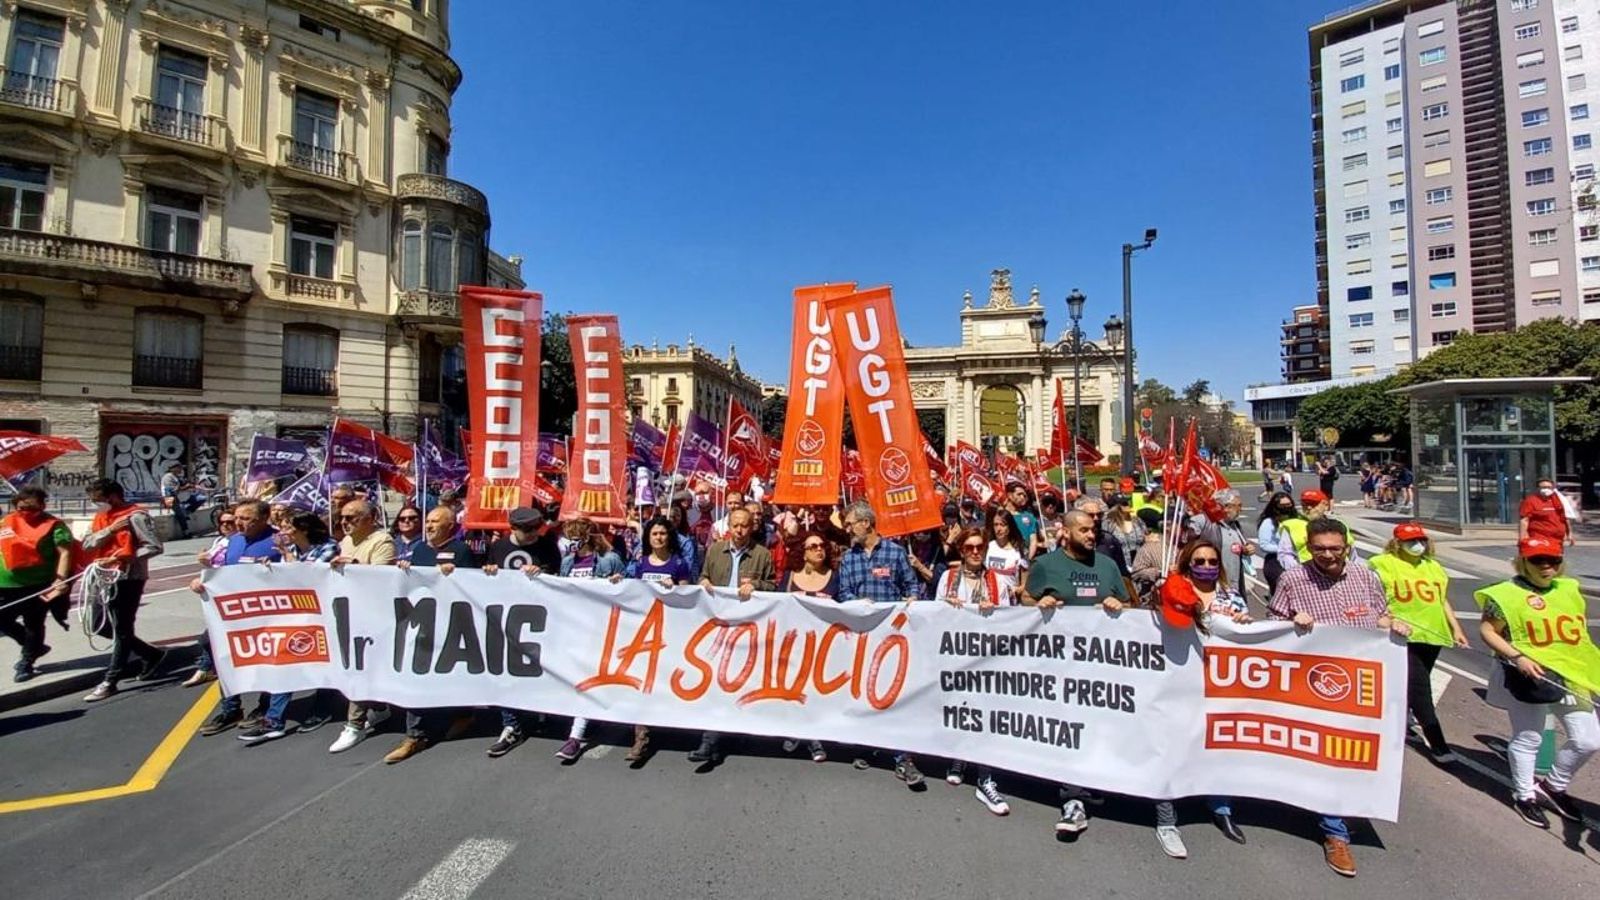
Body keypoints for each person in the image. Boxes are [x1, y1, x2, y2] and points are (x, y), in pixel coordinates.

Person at [1269, 517, 1411, 878]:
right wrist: (1291, 622)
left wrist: (1393, 625)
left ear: (1346, 547)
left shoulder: (1365, 576)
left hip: (1364, 684)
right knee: (1329, 754)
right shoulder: (1293, 580)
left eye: (1335, 548)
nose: (1328, 555)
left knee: (1358, 753)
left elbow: (1379, 615)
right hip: (1316, 686)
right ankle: (1336, 833)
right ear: (1309, 548)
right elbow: (1272, 630)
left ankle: (1342, 805)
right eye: (1319, 549)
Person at [1474, 536, 1600, 829]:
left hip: (1572, 673)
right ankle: (1524, 795)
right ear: (1523, 562)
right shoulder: (1504, 595)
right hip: (1530, 676)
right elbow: (1487, 631)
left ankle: (1554, 785)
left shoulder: (1568, 588)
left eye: (1553, 561)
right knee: (1529, 737)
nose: (1546, 567)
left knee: (1588, 739)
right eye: (1538, 561)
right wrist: (1517, 657)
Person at [1021, 508, 1131, 835]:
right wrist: (1037, 604)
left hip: (1101, 667)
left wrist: (1117, 606)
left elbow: (1128, 605)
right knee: (1070, 729)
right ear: (1065, 533)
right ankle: (1073, 799)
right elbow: (1026, 597)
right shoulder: (1046, 565)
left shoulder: (1107, 565)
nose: (1091, 535)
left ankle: (1093, 783)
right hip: (1059, 669)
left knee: (1097, 728)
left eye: (1092, 529)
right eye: (1083, 530)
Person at [1157, 539, 1253, 852]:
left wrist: (1243, 624)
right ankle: (1167, 817)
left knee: (1218, 746)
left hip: (1219, 685)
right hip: (1178, 683)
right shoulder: (1172, 590)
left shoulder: (1231, 595)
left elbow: (1246, 638)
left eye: (1213, 561)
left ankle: (1221, 808)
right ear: (1188, 563)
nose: (1207, 566)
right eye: (1200, 560)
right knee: (1171, 748)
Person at [835, 500, 925, 786]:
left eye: (851, 524)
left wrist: (912, 598)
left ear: (866, 523)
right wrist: (857, 603)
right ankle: (865, 744)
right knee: (865, 690)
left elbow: (911, 586)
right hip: (863, 634)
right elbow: (844, 592)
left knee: (893, 693)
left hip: (892, 635)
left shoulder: (895, 553)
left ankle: (902, 758)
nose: (848, 529)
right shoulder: (850, 558)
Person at [384, 506, 480, 763]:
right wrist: (405, 568)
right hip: (424, 621)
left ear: (450, 525)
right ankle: (415, 735)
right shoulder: (421, 551)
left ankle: (464, 713)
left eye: (435, 522)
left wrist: (456, 575)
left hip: (453, 622)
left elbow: (476, 588)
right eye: (427, 521)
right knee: (417, 671)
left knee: (456, 671)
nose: (428, 526)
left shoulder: (462, 551)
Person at [236, 511, 341, 743]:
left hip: (323, 615)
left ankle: (322, 709)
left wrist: (286, 559)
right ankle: (274, 720)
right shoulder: (291, 550)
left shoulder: (328, 547)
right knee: (285, 661)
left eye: (288, 527)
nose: (283, 532)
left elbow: (308, 577)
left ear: (303, 529)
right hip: (295, 616)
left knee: (325, 665)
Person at [1368, 522, 1467, 763]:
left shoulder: (1433, 566)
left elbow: (1442, 600)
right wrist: (1386, 619)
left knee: (1409, 684)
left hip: (1432, 633)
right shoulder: (1382, 564)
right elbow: (1373, 596)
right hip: (1402, 634)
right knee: (1419, 688)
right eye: (1410, 541)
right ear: (1397, 543)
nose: (1417, 545)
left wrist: (1456, 628)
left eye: (1421, 540)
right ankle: (1438, 744)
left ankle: (1399, 721)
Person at [936, 526, 1013, 816]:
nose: (975, 552)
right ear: (961, 551)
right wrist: (947, 606)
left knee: (986, 714)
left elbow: (1009, 619)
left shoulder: (998, 581)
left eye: (979, 546)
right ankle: (959, 758)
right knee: (960, 709)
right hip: (957, 658)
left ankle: (986, 778)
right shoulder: (948, 578)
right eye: (969, 547)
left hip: (988, 658)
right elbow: (935, 615)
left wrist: (994, 610)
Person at [691, 506, 777, 763]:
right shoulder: (715, 550)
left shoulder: (762, 555)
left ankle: (726, 734)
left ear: (752, 527)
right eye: (735, 525)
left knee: (735, 681)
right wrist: (704, 582)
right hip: (717, 624)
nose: (739, 531)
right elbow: (704, 575)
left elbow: (773, 585)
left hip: (747, 627)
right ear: (729, 526)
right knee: (716, 680)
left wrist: (757, 585)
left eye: (745, 526)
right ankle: (710, 740)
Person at [196, 499, 285, 733]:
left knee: (269, 662)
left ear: (264, 519)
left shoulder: (279, 541)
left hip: (269, 614)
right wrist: (204, 578)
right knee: (221, 655)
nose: (239, 523)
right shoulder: (231, 542)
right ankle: (230, 708)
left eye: (246, 519)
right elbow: (221, 574)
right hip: (234, 614)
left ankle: (265, 706)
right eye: (237, 518)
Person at [481, 506, 562, 758]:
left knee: (539, 667)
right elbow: (486, 576)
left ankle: (541, 711)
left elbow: (559, 577)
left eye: (535, 529)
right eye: (526, 530)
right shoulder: (499, 548)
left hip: (541, 619)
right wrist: (489, 573)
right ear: (512, 528)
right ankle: (511, 725)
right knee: (507, 669)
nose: (532, 534)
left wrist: (544, 574)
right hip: (508, 618)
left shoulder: (547, 545)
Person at [80, 479, 166, 702]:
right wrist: (109, 530)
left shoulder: (136, 516)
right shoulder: (101, 518)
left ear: (113, 496)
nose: (95, 504)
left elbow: (154, 546)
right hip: (102, 576)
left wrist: (125, 558)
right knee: (97, 623)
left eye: (98, 499)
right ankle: (150, 653)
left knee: (122, 627)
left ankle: (111, 679)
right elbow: (88, 544)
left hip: (128, 578)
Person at [326, 499, 398, 753]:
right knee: (360, 667)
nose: (344, 523)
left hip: (374, 616)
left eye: (352, 518)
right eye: (342, 518)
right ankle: (378, 708)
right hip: (351, 613)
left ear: (370, 518)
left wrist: (351, 567)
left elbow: (380, 579)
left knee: (360, 666)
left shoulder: (382, 541)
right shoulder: (346, 541)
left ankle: (354, 725)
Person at [776, 528, 838, 764]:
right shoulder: (790, 577)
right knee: (795, 690)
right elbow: (778, 606)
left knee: (814, 692)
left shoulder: (835, 576)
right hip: (793, 643)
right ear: (803, 553)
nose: (819, 549)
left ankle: (813, 738)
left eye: (821, 545)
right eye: (813, 547)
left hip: (823, 645)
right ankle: (798, 731)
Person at [0, 488, 73, 683]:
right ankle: (33, 646)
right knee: (2, 619)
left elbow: (64, 553)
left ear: (42, 505)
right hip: (5, 584)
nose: (26, 512)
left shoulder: (54, 525)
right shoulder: (7, 521)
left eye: (32, 508)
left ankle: (27, 660)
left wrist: (60, 579)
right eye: (21, 507)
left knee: (34, 623)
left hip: (38, 584)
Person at [1189, 489, 1257, 600]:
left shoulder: (1235, 525)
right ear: (1226, 507)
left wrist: (1246, 550)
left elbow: (1240, 546)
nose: (1241, 509)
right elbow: (1186, 543)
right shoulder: (1204, 522)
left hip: (1234, 586)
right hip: (1210, 584)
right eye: (1238, 506)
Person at [1276, 489, 1351, 573]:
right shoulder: (1292, 525)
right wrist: (1300, 573)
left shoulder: (1339, 525)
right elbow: (1285, 555)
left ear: (1325, 505)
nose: (1308, 507)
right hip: (1307, 576)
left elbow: (1351, 553)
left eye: (1313, 504)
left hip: (1338, 573)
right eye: (1305, 504)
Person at [1256, 492, 1296, 597]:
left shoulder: (1295, 520)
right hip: (1275, 561)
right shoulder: (1268, 523)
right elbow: (1264, 545)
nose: (1286, 508)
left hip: (1294, 560)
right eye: (1283, 506)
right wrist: (1284, 549)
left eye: (1289, 505)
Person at [984, 508, 1030, 597]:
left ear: (1009, 527)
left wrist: (1014, 591)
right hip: (989, 600)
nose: (998, 529)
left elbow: (1025, 585)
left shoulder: (1020, 551)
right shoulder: (988, 547)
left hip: (1009, 605)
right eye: (996, 525)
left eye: (1002, 525)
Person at [1519, 477, 1575, 548]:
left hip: (1557, 539)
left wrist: (1569, 533)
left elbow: (1566, 517)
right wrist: (1523, 538)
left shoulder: (1559, 500)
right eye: (1543, 487)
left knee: (1556, 558)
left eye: (1549, 487)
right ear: (1538, 488)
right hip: (1539, 538)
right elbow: (1524, 520)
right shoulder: (1530, 501)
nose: (1546, 489)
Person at [1003, 482, 1041, 558]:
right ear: (1010, 495)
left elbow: (1033, 541)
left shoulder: (1029, 516)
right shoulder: (1001, 515)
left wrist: (1028, 559)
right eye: (1019, 494)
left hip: (1024, 557)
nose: (1022, 497)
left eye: (1024, 495)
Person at [161, 462, 196, 538]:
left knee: (198, 498)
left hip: (178, 498)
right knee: (180, 513)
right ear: (173, 468)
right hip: (170, 499)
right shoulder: (168, 477)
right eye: (179, 468)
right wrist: (185, 487)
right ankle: (186, 532)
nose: (181, 470)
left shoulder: (176, 477)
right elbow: (172, 490)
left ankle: (186, 511)